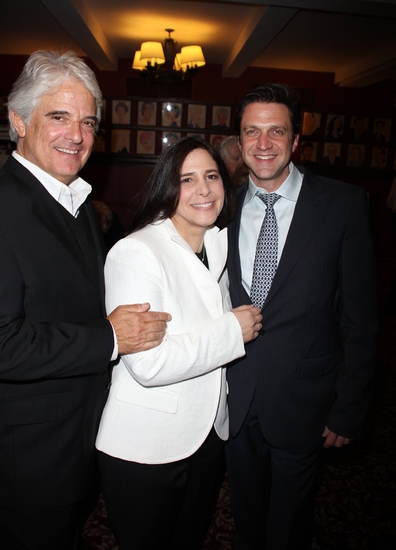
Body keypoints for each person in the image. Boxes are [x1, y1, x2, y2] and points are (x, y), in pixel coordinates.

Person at [0, 50, 170, 550]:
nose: (76, 135)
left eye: (88, 121)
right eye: (58, 116)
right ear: (17, 121)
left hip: (73, 441)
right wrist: (111, 335)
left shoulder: (72, 201)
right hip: (27, 457)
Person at [225, 83, 378, 550]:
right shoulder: (217, 207)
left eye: (276, 131)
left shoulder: (343, 205)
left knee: (291, 522)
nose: (263, 144)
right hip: (232, 395)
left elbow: (362, 317)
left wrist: (349, 408)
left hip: (306, 399)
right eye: (252, 131)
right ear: (239, 140)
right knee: (245, 515)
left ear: (295, 141)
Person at [95, 136, 262, 550]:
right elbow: (150, 365)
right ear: (168, 188)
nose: (203, 189)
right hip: (145, 447)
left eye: (211, 176)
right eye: (187, 179)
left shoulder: (218, 246)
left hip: (207, 436)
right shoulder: (136, 252)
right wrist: (231, 331)